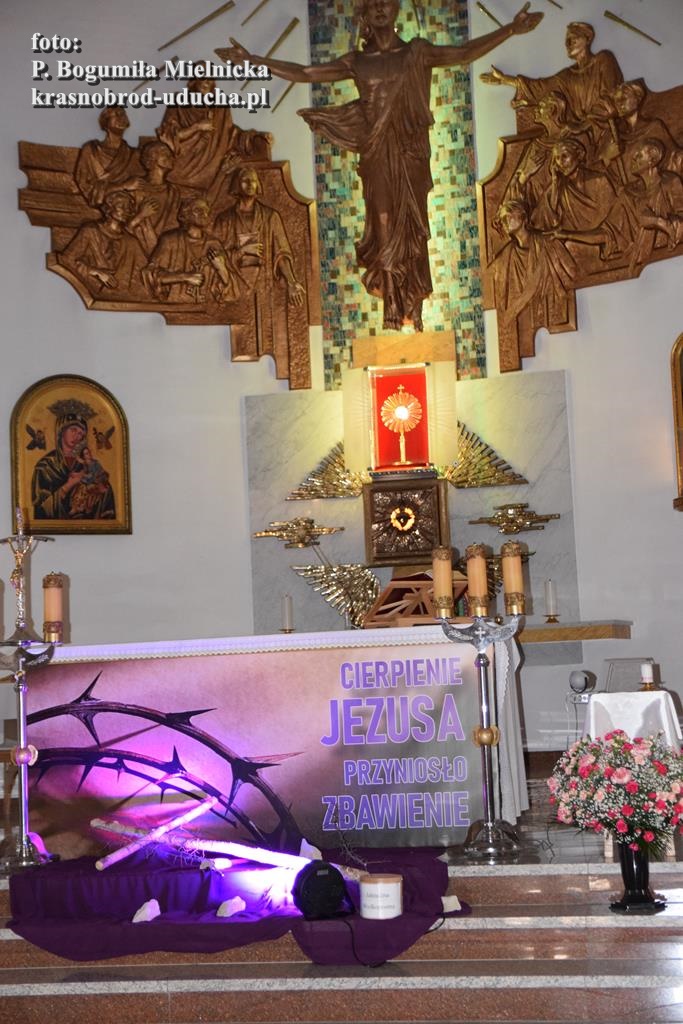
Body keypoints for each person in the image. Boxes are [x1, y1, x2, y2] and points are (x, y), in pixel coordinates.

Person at [218, 1, 542, 333]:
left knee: (414, 225)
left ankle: (414, 303)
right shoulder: (357, 61)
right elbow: (306, 73)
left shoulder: (417, 52)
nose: (379, 8)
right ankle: (392, 302)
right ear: (364, 15)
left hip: (410, 153)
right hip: (375, 153)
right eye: (372, 4)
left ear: (396, 8)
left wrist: (510, 29)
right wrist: (254, 60)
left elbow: (464, 53)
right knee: (383, 221)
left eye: (385, 2)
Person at [215, 166, 306, 375]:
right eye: (245, 180)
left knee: (267, 332)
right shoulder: (225, 219)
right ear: (236, 185)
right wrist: (240, 252)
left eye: (253, 180)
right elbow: (213, 255)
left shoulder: (270, 217)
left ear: (258, 185)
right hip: (234, 285)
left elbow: (282, 253)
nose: (250, 185)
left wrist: (292, 282)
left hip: (264, 285)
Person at [157, 77, 272, 194]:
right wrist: (196, 127)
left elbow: (230, 134)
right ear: (194, 80)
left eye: (210, 78)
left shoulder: (220, 106)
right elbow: (170, 135)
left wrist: (255, 137)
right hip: (183, 166)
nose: (206, 82)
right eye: (202, 77)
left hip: (211, 165)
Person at [143, 194, 239, 304]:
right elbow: (151, 275)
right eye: (198, 210)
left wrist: (221, 268)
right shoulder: (170, 240)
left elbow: (233, 294)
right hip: (175, 305)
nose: (204, 214)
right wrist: (184, 277)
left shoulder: (214, 244)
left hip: (206, 308)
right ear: (185, 214)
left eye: (206, 210)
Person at [32, 401, 116, 520]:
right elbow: (40, 510)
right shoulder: (45, 467)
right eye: (73, 430)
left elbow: (105, 490)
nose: (77, 436)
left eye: (81, 433)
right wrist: (69, 485)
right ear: (61, 431)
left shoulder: (86, 463)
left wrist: (97, 490)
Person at [60, 190, 148, 299]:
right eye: (121, 206)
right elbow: (67, 260)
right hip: (90, 290)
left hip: (121, 295)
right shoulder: (90, 231)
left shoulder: (131, 241)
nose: (126, 211)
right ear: (109, 208)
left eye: (128, 207)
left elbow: (145, 270)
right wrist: (95, 271)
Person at [121, 141, 184, 256]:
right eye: (165, 153)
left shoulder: (174, 191)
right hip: (137, 251)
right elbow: (121, 228)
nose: (171, 157)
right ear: (151, 159)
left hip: (166, 252)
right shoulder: (135, 188)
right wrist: (141, 215)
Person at [74, 105, 141, 207]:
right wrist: (123, 186)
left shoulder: (134, 155)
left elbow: (141, 185)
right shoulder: (91, 150)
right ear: (105, 122)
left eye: (123, 114)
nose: (121, 117)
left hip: (126, 207)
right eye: (116, 114)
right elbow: (87, 186)